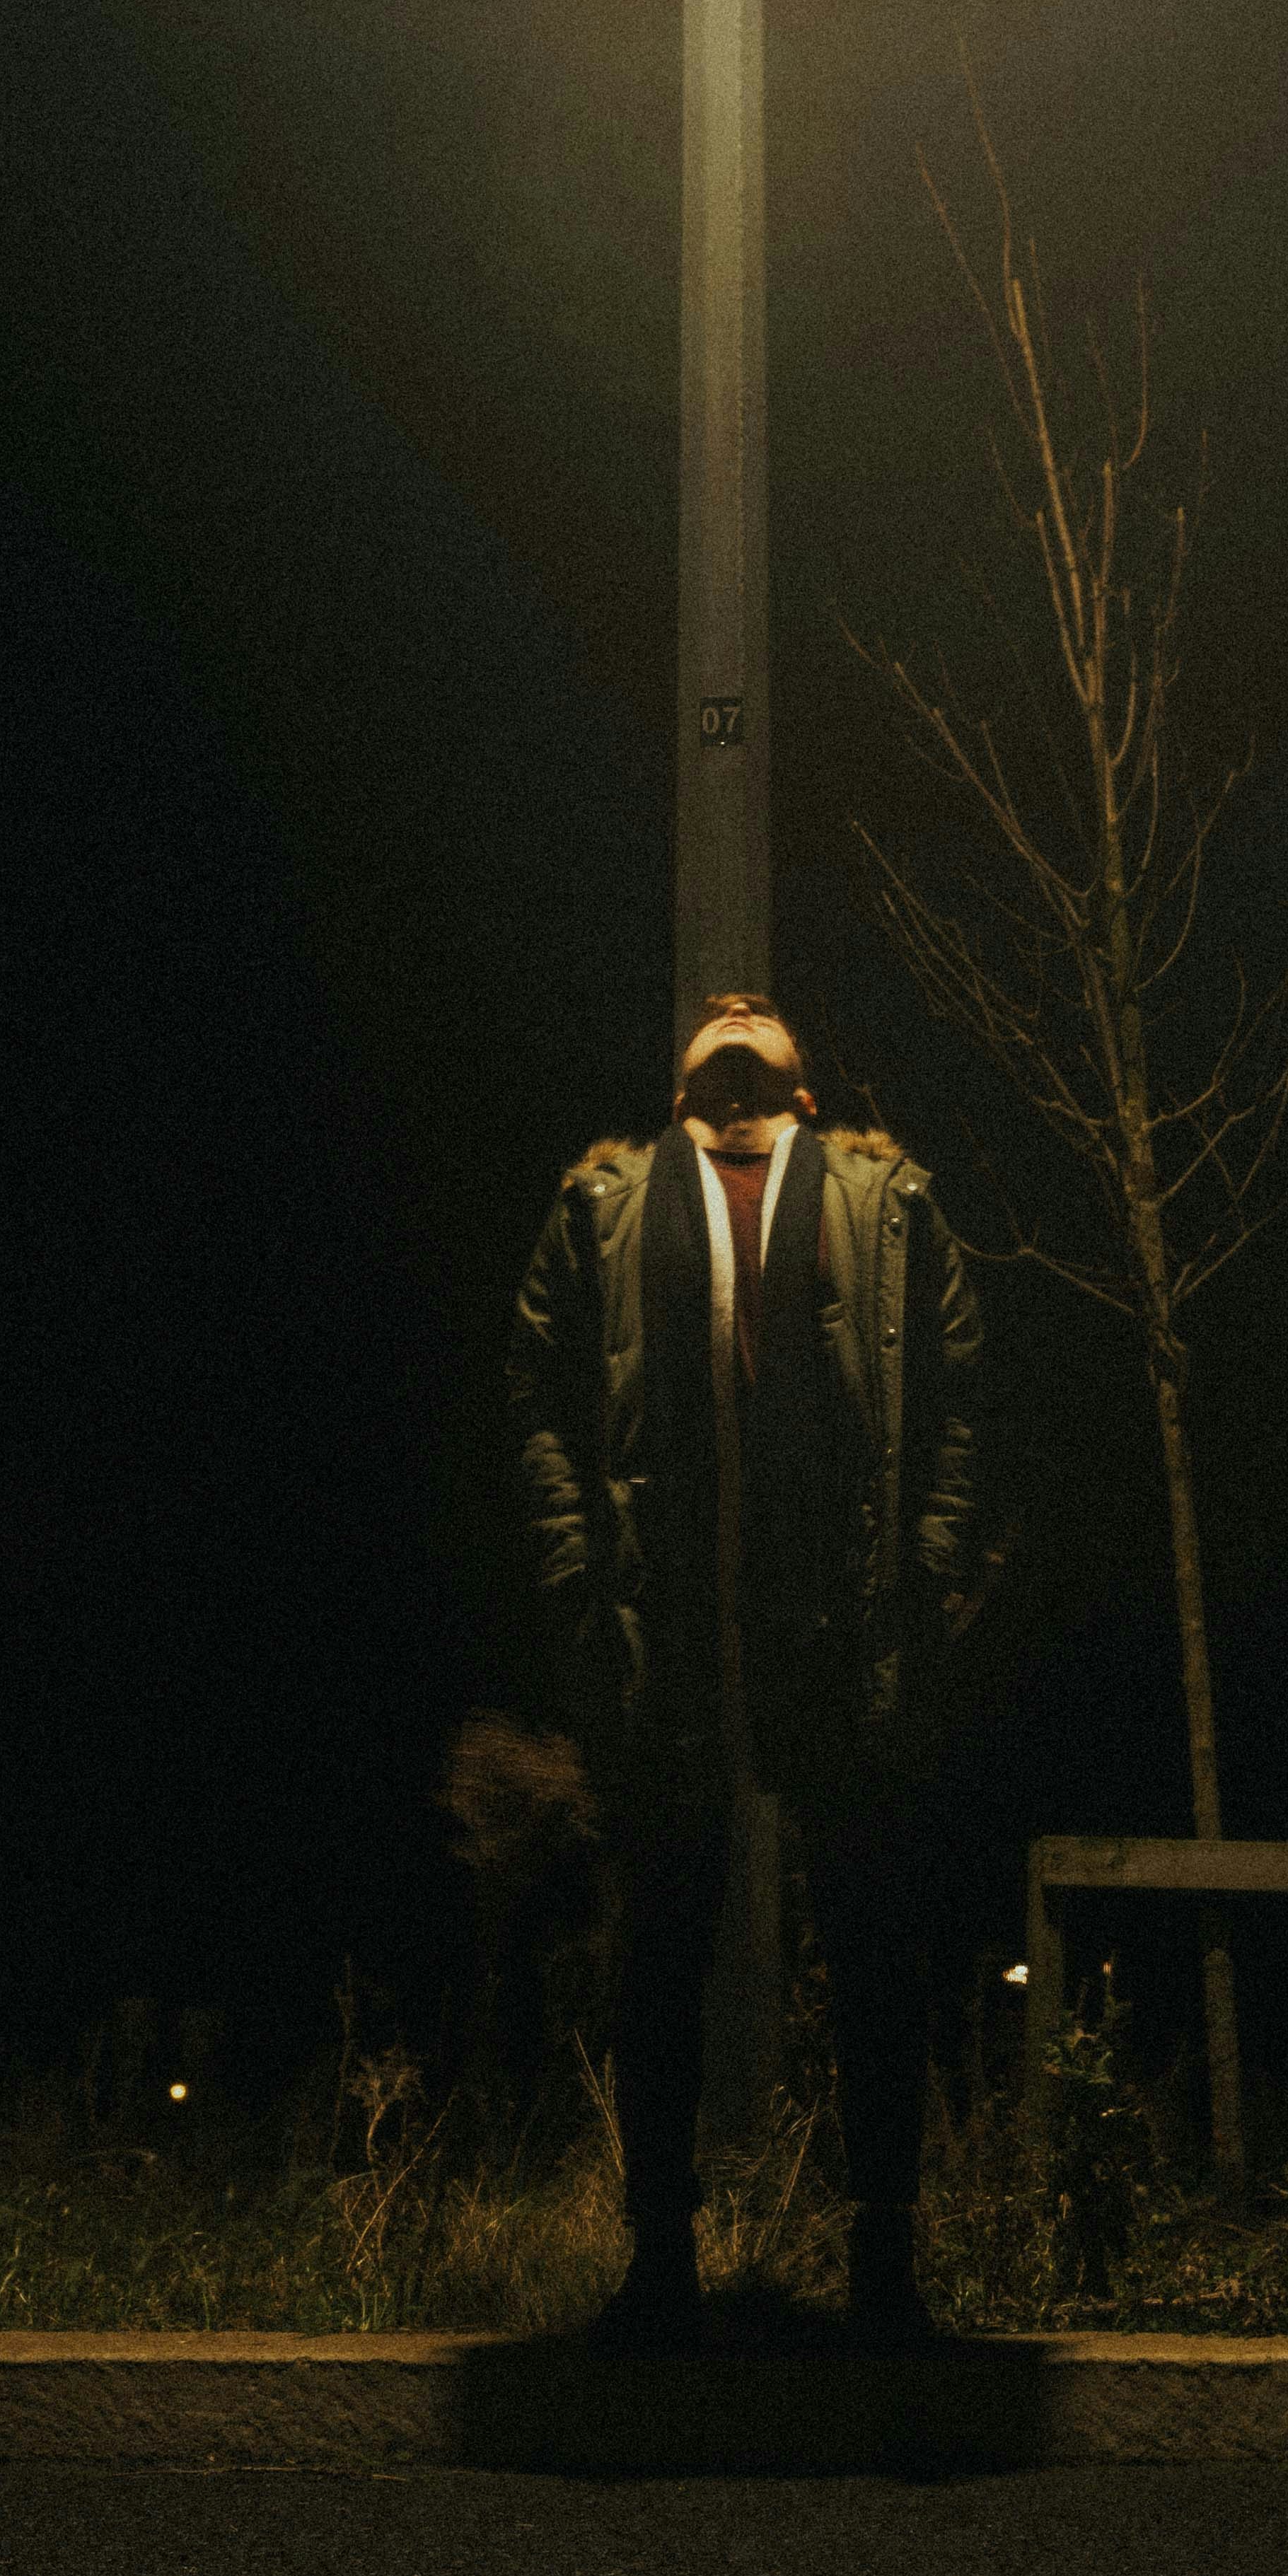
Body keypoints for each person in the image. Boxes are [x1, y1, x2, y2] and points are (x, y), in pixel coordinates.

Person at [507, 995, 982, 2348]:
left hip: (839, 1632)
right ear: (675, 1095)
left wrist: (926, 1575)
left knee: (873, 1955)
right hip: (667, 1636)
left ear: (807, 1091)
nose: (738, 1009)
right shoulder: (604, 1203)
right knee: (661, 1959)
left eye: (762, 1015)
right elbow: (537, 1390)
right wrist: (573, 1572)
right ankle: (662, 2267)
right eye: (718, 1017)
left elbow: (958, 1392)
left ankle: (883, 2266)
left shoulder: (884, 1199)